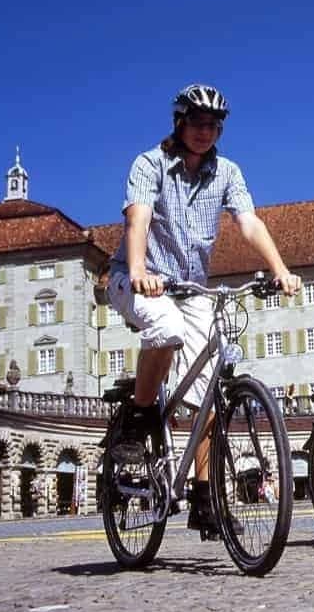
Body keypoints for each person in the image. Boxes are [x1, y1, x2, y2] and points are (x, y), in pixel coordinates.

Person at [106, 84, 302, 538]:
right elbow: (137, 218)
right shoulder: (149, 163)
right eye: (196, 123)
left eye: (213, 125)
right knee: (165, 326)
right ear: (179, 123)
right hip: (136, 278)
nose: (204, 132)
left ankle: (203, 496)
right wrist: (138, 269)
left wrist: (280, 269)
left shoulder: (227, 172)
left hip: (192, 286)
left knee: (210, 388)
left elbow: (248, 221)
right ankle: (139, 417)